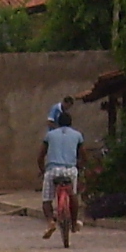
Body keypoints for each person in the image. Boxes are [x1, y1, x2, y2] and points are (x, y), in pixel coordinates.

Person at [39, 102, 86, 239]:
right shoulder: (77, 135)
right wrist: (79, 166)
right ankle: (73, 223)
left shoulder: (50, 135)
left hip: (53, 170)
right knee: (73, 195)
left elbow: (40, 156)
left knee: (47, 199)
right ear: (71, 123)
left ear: (58, 123)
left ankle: (50, 222)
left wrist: (43, 171)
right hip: (70, 170)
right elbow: (83, 156)